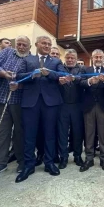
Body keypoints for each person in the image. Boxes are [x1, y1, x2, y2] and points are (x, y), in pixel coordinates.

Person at [15, 36, 64, 183]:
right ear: (36, 45)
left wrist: (49, 74)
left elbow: (62, 75)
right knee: (29, 135)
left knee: (50, 134)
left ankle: (49, 163)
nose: (47, 46)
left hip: (51, 103)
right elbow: (18, 76)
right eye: (44, 43)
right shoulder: (27, 60)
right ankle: (28, 165)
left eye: (49, 44)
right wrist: (32, 75)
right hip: (30, 102)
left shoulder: (56, 61)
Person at [0, 36, 31, 178]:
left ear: (29, 47)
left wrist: (20, 83)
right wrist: (3, 73)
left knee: (20, 132)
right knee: (0, 132)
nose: (21, 47)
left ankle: (22, 160)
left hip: (19, 101)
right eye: (19, 44)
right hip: (0, 98)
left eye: (24, 45)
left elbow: (32, 79)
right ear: (15, 44)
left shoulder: (31, 59)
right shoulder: (6, 52)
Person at [80, 49, 104, 172]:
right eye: (96, 57)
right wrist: (89, 81)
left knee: (103, 133)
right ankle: (89, 158)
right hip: (88, 106)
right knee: (89, 133)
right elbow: (80, 82)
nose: (98, 59)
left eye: (100, 57)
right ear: (92, 58)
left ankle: (103, 158)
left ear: (103, 58)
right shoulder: (85, 70)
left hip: (103, 106)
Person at [58, 49, 85, 169]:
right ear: (65, 58)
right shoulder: (59, 68)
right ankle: (63, 157)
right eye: (67, 57)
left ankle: (77, 155)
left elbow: (83, 79)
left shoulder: (81, 69)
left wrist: (75, 78)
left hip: (77, 105)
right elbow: (54, 79)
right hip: (62, 105)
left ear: (76, 58)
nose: (69, 60)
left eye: (72, 58)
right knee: (62, 133)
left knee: (77, 132)